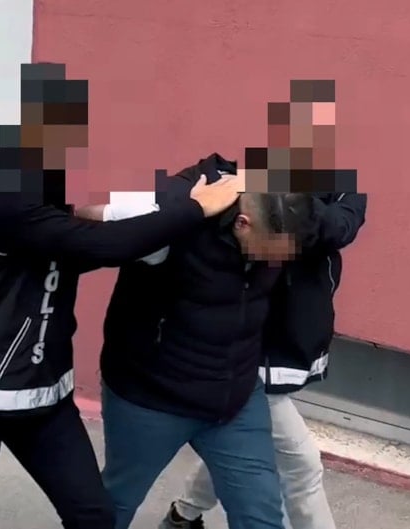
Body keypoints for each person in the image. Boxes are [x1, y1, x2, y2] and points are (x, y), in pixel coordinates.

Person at [0, 63, 243, 529]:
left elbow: (66, 252)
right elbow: (99, 246)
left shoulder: (41, 174)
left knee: (93, 516)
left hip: (39, 399)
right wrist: (194, 209)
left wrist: (153, 218)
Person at [162, 80, 367, 529]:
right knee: (302, 465)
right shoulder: (244, 176)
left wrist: (281, 202)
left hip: (294, 339)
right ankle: (183, 514)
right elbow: (185, 199)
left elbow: (340, 228)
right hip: (245, 343)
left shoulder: (340, 188)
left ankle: (183, 514)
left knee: (249, 438)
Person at [77, 152, 320, 529]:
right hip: (151, 399)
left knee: (262, 515)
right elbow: (86, 219)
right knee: (115, 505)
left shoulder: (286, 215)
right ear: (243, 223)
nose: (275, 263)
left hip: (234, 398)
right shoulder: (173, 210)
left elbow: (343, 218)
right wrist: (182, 213)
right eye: (270, 252)